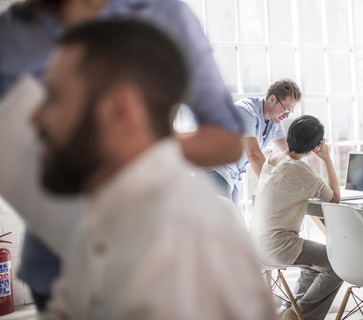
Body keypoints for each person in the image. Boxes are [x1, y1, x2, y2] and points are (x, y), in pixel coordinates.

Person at [0, 0, 244, 310]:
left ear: (122, 108)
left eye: (56, 98)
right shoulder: (17, 27)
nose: (38, 120)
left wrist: (119, 151)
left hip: (145, 249)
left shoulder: (165, 14)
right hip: (55, 263)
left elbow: (226, 137)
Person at [249, 115, 343, 320]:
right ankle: (299, 315)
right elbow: (335, 198)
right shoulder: (300, 169)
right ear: (314, 146)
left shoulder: (272, 158)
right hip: (279, 247)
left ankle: (291, 309)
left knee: (314, 263)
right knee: (338, 263)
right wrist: (326, 158)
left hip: (255, 245)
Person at [207, 78, 301, 203]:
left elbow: (288, 152)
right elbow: (253, 153)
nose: (287, 115)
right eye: (286, 109)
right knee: (225, 220)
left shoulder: (274, 122)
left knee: (232, 220)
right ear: (272, 99)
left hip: (232, 175)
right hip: (215, 170)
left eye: (290, 111)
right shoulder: (245, 111)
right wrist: (273, 188)